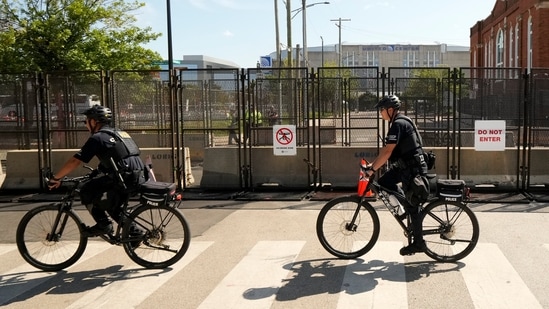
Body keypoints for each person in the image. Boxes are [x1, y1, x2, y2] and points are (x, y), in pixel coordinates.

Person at [48, 105, 146, 236]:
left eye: (86, 121)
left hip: (124, 177)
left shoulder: (97, 138)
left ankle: (103, 225)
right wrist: (96, 172)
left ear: (94, 121)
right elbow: (118, 156)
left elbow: (75, 161)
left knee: (86, 190)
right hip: (138, 175)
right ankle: (135, 233)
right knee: (111, 204)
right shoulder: (119, 133)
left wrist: (56, 178)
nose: (85, 125)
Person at [364, 95, 429, 256]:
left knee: (413, 206)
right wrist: (374, 166)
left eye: (382, 110)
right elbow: (388, 150)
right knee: (385, 182)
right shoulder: (400, 121)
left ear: (390, 110)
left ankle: (419, 243)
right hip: (405, 166)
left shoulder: (398, 124)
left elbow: (387, 151)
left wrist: (372, 169)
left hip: (412, 169)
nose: (381, 113)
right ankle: (406, 206)